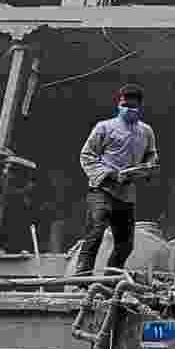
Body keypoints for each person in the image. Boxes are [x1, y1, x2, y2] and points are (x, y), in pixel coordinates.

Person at [73, 83, 159, 276]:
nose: (128, 109)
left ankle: (109, 281)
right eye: (124, 105)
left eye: (133, 106)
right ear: (118, 104)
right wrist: (111, 173)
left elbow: (151, 154)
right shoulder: (104, 127)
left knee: (126, 244)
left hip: (127, 194)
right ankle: (81, 280)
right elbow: (87, 155)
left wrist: (148, 167)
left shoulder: (146, 131)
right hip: (102, 190)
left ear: (139, 108)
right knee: (96, 232)